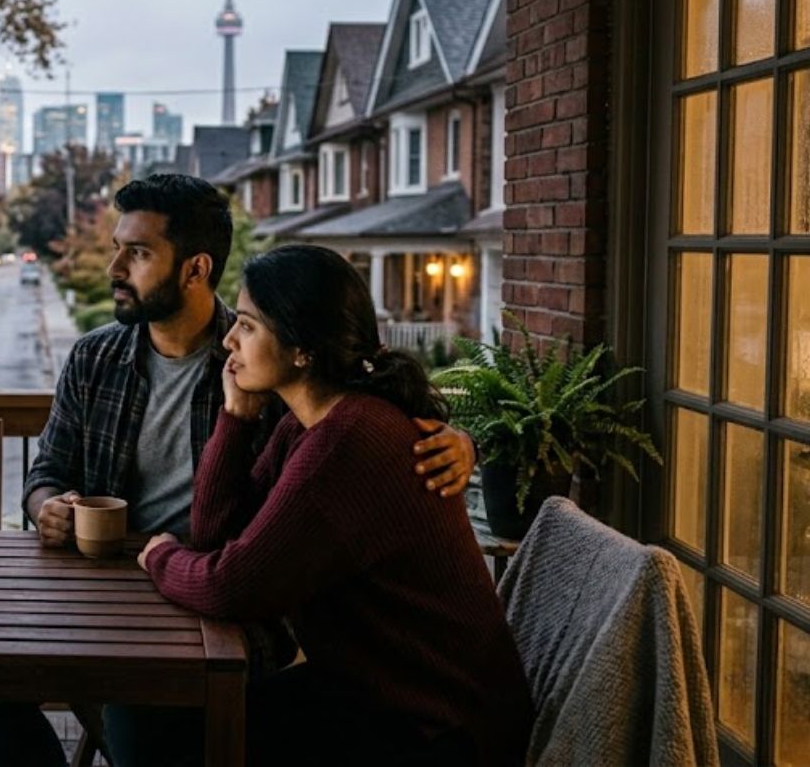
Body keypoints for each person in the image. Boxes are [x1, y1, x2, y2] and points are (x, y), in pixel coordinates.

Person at [0, 175, 480, 767]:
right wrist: (46, 504)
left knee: (143, 710)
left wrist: (459, 441)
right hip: (113, 585)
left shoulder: (272, 367)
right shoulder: (105, 359)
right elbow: (47, 470)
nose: (115, 267)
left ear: (194, 268)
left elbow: (369, 413)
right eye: (116, 248)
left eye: (139, 252)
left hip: (241, 609)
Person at [140, 244, 532, 765]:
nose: (229, 337)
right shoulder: (305, 428)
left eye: (250, 325)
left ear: (302, 348)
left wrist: (159, 558)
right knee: (180, 732)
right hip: (375, 694)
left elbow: (233, 587)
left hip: (442, 727)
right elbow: (217, 536)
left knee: (184, 743)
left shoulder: (348, 440)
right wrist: (236, 416)